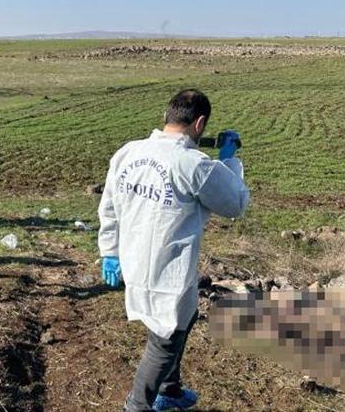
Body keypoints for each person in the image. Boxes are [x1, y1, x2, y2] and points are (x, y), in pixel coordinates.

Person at [97, 89, 250, 411]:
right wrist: (230, 160)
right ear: (200, 123)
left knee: (184, 318)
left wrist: (109, 251)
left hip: (133, 257)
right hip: (168, 271)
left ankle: (170, 387)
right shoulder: (195, 164)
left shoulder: (128, 152)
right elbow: (235, 204)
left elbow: (108, 207)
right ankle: (138, 405)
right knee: (165, 341)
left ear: (166, 117)